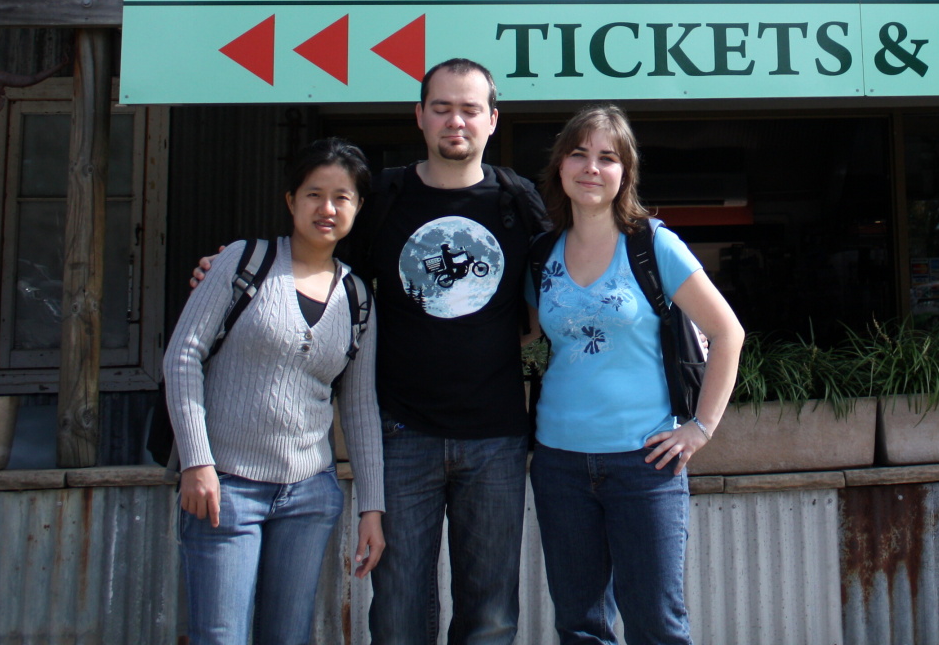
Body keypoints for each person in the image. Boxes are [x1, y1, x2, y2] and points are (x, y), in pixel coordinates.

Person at [191, 58, 546, 645]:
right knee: (398, 607)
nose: (455, 121)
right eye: (442, 107)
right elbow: (313, 259)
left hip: (496, 435)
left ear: (491, 119)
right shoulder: (384, 194)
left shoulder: (517, 199)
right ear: (420, 116)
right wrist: (226, 266)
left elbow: (559, 281)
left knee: (490, 611)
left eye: (470, 109)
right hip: (400, 431)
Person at [526, 104, 745, 645]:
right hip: (559, 463)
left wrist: (701, 428)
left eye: (607, 157)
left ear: (625, 172)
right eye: (579, 154)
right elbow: (522, 336)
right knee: (580, 625)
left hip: (645, 464)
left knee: (656, 624)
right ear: (560, 166)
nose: (591, 168)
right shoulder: (541, 254)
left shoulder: (652, 245)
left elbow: (728, 333)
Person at [165, 137, 386, 644]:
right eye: (313, 194)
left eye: (342, 197)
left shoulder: (357, 297)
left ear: (357, 207)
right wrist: (198, 463)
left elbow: (359, 408)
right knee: (221, 636)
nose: (326, 208)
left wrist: (371, 508)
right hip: (227, 487)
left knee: (287, 637)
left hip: (309, 493)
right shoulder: (245, 262)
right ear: (291, 201)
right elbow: (183, 357)